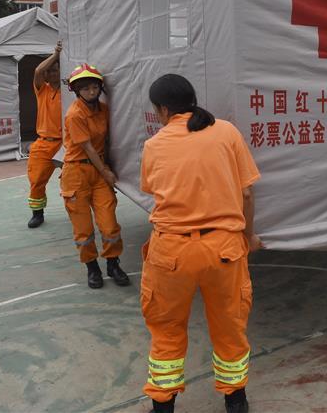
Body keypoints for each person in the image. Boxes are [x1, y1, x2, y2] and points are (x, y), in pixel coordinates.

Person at [139, 74, 261, 413]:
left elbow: (153, 190)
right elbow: (247, 192)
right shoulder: (227, 132)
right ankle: (235, 399)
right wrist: (248, 238)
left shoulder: (154, 145)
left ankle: (163, 405)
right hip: (223, 249)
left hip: (171, 253)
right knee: (229, 325)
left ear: (163, 109)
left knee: (166, 329)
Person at [61, 63, 130, 289]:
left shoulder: (103, 110)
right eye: (86, 88)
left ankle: (113, 263)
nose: (91, 92)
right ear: (77, 91)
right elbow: (88, 148)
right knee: (83, 229)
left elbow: (107, 140)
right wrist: (107, 172)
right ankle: (92, 268)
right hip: (77, 172)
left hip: (99, 170)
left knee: (109, 224)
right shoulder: (74, 114)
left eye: (95, 87)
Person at [26, 41, 63, 228]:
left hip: (65, 144)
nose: (49, 74)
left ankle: (78, 211)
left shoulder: (70, 91)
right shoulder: (42, 89)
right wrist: (55, 55)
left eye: (54, 70)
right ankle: (37, 214)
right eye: (48, 71)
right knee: (36, 180)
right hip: (43, 143)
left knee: (74, 181)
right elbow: (38, 72)